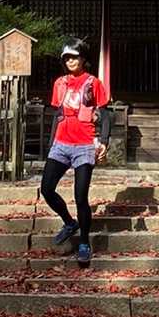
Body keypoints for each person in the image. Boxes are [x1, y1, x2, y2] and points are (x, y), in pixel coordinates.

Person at [40, 40, 110, 268]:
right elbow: (57, 114)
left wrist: (104, 142)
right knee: (47, 189)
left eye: (74, 56)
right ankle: (69, 222)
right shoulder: (59, 83)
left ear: (83, 58)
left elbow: (105, 115)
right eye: (66, 58)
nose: (70, 61)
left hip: (84, 145)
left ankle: (84, 243)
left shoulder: (93, 83)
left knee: (80, 196)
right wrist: (50, 143)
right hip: (61, 143)